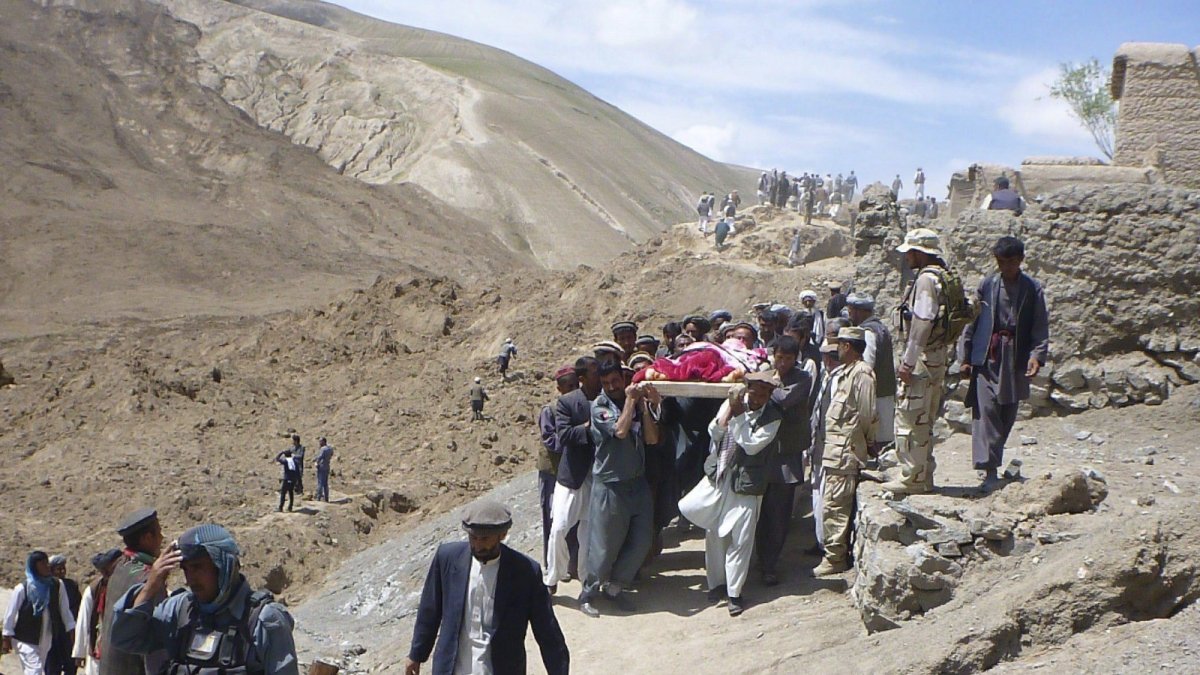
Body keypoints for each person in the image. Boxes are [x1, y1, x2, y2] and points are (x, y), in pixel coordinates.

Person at [110, 524, 299, 674]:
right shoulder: (180, 610)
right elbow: (126, 640)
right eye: (185, 569)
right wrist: (150, 586)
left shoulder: (263, 620)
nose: (190, 578)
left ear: (223, 566)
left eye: (198, 567)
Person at [407, 501, 569, 675]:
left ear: (502, 534)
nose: (477, 545)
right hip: (452, 668)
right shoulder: (448, 558)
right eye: (473, 538)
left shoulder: (525, 572)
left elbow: (547, 632)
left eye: (484, 539)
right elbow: (429, 611)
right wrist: (416, 655)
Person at [960, 236, 1050, 487]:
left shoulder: (1032, 289)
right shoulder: (988, 285)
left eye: (1010, 262)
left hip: (1015, 357)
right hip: (988, 355)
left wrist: (1036, 355)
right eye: (1000, 262)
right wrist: (966, 356)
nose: (1005, 267)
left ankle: (994, 459)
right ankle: (988, 469)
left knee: (1007, 412)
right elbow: (973, 322)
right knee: (985, 410)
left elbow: (1040, 325)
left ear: (1020, 260)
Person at [579, 362, 660, 617]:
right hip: (610, 485)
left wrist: (645, 409)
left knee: (641, 540)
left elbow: (651, 439)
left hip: (636, 483)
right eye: (606, 383)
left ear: (623, 379)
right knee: (602, 546)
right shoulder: (600, 406)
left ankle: (615, 588)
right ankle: (588, 592)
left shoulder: (635, 403)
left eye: (615, 381)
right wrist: (629, 402)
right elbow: (620, 431)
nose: (612, 387)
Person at [702, 371, 783, 616]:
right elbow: (715, 433)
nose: (756, 399)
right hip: (723, 476)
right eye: (753, 392)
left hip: (748, 484)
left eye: (762, 394)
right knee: (715, 534)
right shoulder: (732, 403)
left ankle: (734, 593)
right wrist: (729, 412)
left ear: (769, 395)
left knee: (741, 539)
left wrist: (738, 417)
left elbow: (750, 445)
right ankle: (717, 584)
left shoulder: (773, 418)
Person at [882, 228, 956, 495]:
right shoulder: (943, 276)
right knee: (925, 418)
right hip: (937, 357)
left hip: (923, 359)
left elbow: (922, 322)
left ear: (920, 253)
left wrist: (908, 362)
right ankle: (923, 475)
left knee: (910, 418)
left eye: (910, 252)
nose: (907, 258)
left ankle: (912, 477)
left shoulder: (926, 280)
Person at [814, 327, 877, 576]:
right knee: (831, 505)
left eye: (839, 344)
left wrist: (866, 443)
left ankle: (835, 558)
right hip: (835, 450)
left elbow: (866, 414)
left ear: (847, 346)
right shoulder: (847, 373)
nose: (837, 349)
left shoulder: (862, 374)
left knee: (836, 506)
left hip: (845, 451)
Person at [754, 336, 812, 586]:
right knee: (759, 514)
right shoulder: (765, 374)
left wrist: (766, 385)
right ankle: (759, 558)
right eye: (779, 358)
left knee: (778, 515)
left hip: (786, 456)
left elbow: (783, 400)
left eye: (788, 359)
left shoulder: (802, 379)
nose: (783, 363)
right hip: (762, 455)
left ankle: (770, 564)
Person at [545, 357, 601, 593]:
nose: (599, 377)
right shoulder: (567, 403)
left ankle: (586, 582)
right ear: (582, 379)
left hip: (597, 477)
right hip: (572, 477)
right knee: (559, 528)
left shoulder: (606, 399)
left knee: (588, 533)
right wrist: (590, 426)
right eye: (594, 373)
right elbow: (564, 436)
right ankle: (552, 577)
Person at [99, 507, 166, 675]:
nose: (162, 538)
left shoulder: (121, 566)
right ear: (147, 538)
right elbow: (156, 643)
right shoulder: (150, 581)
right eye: (158, 533)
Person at [2, 552, 77, 675]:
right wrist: (6, 636)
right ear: (34, 566)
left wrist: (71, 630)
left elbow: (65, 611)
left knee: (37, 669)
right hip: (25, 639)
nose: (47, 566)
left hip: (46, 638)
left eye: (47, 563)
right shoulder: (22, 588)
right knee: (35, 671)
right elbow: (10, 613)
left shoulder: (57, 585)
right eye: (42, 564)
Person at [538, 366, 578, 575]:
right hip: (552, 472)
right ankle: (550, 565)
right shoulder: (550, 410)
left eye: (575, 385)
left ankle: (571, 563)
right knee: (551, 518)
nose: (572, 390)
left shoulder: (580, 407)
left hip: (572, 472)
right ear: (559, 388)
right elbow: (550, 440)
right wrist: (573, 440)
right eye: (568, 386)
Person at [846, 292, 896, 456]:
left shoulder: (867, 332)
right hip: (885, 393)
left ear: (859, 311)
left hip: (874, 396)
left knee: (875, 442)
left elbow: (866, 367)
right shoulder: (881, 328)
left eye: (851, 310)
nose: (849, 314)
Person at [71, 549, 121, 675]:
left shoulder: (126, 584)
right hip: (99, 647)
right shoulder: (94, 590)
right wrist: (79, 652)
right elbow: (84, 621)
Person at [46, 555, 82, 675]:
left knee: (70, 665)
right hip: (53, 632)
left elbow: (77, 605)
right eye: (58, 569)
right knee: (52, 666)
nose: (62, 572)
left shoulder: (72, 585)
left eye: (63, 568)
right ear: (51, 570)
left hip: (69, 631)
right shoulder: (48, 587)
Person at [275, 448, 299, 512]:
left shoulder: (285, 461)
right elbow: (298, 471)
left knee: (283, 493)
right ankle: (290, 507)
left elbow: (277, 458)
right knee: (291, 492)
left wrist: (281, 452)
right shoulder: (295, 461)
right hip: (293, 479)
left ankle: (280, 507)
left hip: (287, 478)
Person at [314, 436, 334, 502]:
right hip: (327, 466)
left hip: (321, 466)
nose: (319, 442)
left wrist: (316, 462)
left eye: (320, 441)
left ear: (323, 441)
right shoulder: (330, 448)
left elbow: (320, 457)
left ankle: (318, 497)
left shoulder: (323, 449)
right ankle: (326, 498)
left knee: (320, 482)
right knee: (325, 483)